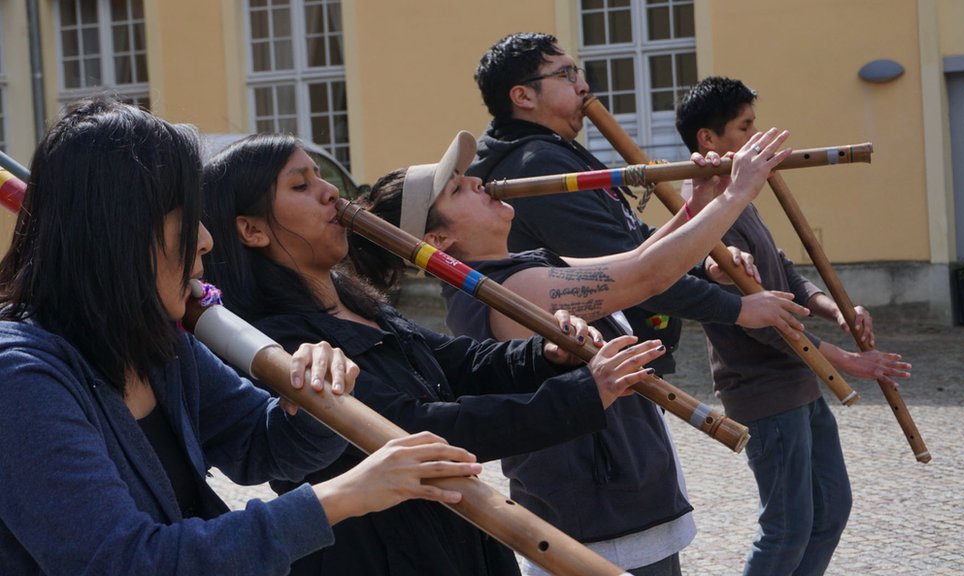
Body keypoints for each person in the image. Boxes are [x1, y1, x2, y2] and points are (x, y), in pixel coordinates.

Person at [0, 97, 485, 575]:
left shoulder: (156, 345)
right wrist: (342, 496)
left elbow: (262, 445)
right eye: (188, 220)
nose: (206, 240)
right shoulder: (21, 379)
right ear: (120, 233)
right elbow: (125, 561)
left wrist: (316, 398)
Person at [201, 132, 665, 576]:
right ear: (252, 230)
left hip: (457, 534)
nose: (329, 193)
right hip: (382, 556)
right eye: (301, 185)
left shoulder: (354, 300)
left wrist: (544, 355)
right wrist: (582, 395)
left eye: (321, 177)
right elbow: (419, 425)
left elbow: (455, 362)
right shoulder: (277, 343)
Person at [355, 126, 794, 576]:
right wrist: (737, 193)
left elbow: (635, 262)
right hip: (600, 516)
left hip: (618, 500)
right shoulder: (503, 290)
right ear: (438, 242)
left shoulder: (520, 266)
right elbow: (647, 276)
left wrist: (695, 206)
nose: (477, 182)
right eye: (457, 188)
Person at [675, 76, 913, 575]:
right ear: (709, 140)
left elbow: (784, 272)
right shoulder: (701, 218)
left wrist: (836, 309)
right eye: (745, 126)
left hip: (801, 385)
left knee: (830, 510)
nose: (757, 135)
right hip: (765, 393)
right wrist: (851, 362)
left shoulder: (739, 193)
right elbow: (765, 325)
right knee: (787, 526)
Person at [469, 32, 806, 377]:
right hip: (588, 371)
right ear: (522, 95)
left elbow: (633, 241)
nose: (583, 86)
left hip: (615, 364)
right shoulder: (535, 165)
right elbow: (632, 273)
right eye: (566, 74)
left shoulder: (553, 151)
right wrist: (738, 308)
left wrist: (700, 259)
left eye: (579, 72)